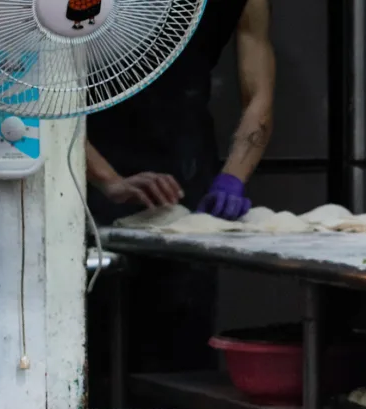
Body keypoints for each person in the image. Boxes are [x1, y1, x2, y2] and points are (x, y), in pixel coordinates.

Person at [86, 0, 275, 371]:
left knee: (181, 347)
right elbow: (47, 97)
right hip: (87, 180)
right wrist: (108, 180)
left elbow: (260, 95)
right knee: (99, 347)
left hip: (186, 174)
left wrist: (233, 177)